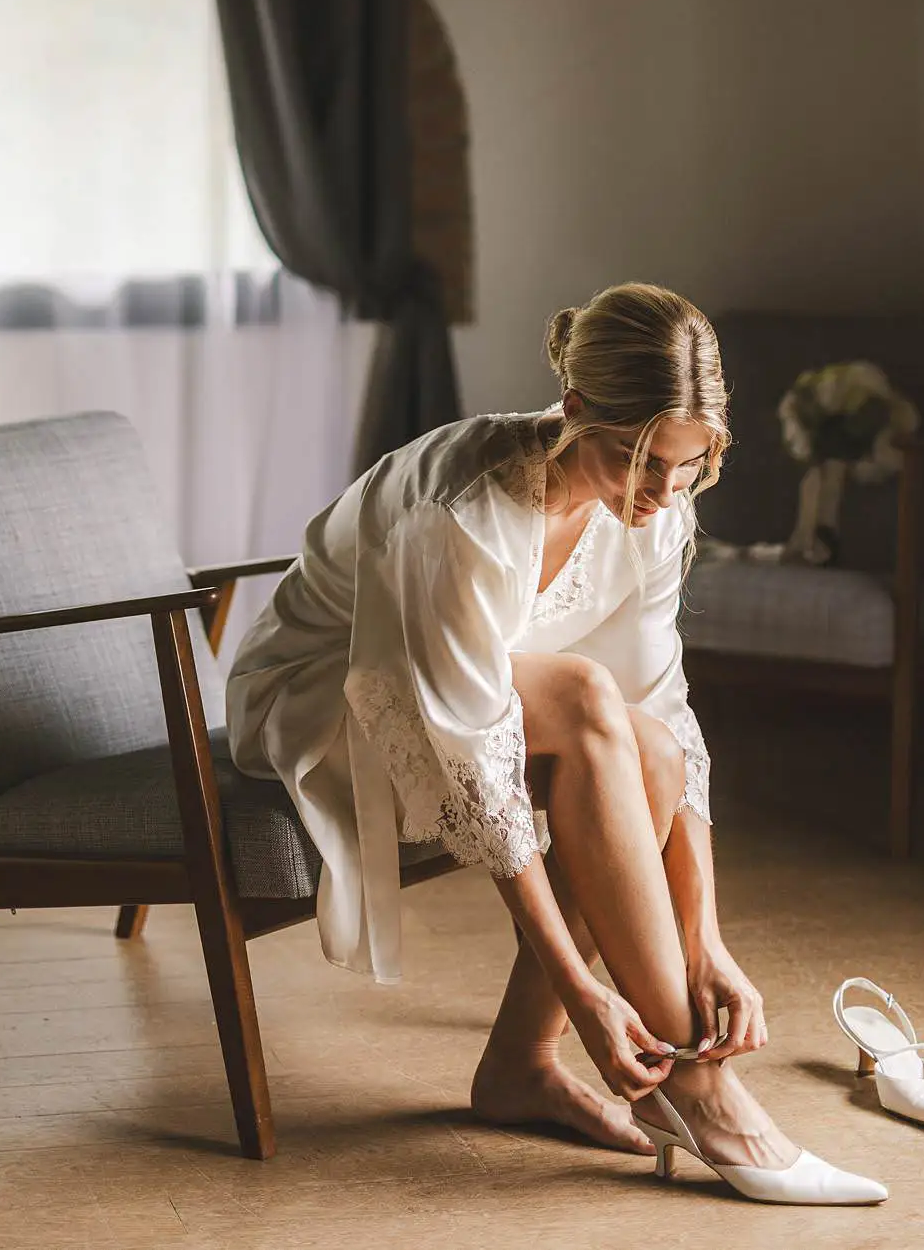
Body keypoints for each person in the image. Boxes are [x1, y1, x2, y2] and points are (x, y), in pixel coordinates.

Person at [227, 282, 886, 1204]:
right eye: (639, 458)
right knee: (582, 693)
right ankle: (700, 1088)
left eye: (690, 464)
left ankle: (520, 1066)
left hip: (474, 702)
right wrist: (583, 989)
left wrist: (708, 942)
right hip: (325, 698)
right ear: (572, 410)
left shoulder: (659, 503)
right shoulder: (461, 508)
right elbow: (474, 767)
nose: (661, 492)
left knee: (643, 744)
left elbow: (668, 718)